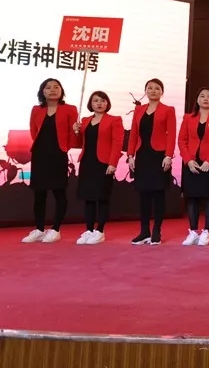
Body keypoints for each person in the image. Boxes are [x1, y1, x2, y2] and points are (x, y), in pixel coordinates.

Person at [22, 78, 79, 243]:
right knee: (39, 193)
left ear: (61, 91)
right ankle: (39, 229)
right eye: (48, 87)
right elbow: (33, 131)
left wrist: (75, 132)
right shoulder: (36, 109)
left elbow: (74, 136)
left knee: (58, 192)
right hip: (39, 154)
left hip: (58, 154)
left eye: (56, 87)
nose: (52, 90)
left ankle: (55, 229)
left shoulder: (70, 109)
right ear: (42, 91)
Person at [127, 78, 177, 246]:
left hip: (159, 156)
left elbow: (171, 134)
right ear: (145, 91)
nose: (153, 91)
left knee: (158, 194)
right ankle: (144, 231)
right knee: (144, 195)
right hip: (142, 155)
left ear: (162, 92)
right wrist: (130, 155)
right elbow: (134, 134)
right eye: (150, 88)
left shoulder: (168, 110)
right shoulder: (139, 110)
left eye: (157, 88)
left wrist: (168, 155)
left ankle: (156, 231)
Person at [72, 91, 125, 244]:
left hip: (104, 163)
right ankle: (89, 230)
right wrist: (76, 131)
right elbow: (78, 142)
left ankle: (100, 231)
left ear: (107, 103)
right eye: (96, 101)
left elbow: (117, 143)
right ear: (91, 104)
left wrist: (113, 163)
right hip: (87, 162)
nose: (99, 103)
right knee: (88, 197)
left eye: (103, 100)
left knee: (102, 197)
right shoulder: (85, 121)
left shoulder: (114, 120)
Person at [178, 87, 209, 247]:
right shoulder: (188, 118)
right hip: (191, 164)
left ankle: (206, 232)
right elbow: (182, 140)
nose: (205, 99)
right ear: (197, 100)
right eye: (202, 96)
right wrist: (188, 160)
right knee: (191, 198)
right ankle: (193, 232)